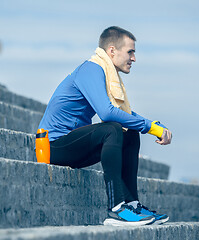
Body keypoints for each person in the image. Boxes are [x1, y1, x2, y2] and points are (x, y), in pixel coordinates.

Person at [37, 26, 172, 226]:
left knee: (130, 131)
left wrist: (151, 124)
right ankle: (116, 209)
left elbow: (123, 114)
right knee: (112, 128)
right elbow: (107, 112)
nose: (134, 58)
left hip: (74, 147)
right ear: (111, 51)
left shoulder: (106, 73)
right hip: (53, 146)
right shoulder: (91, 69)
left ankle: (132, 204)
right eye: (130, 52)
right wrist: (150, 127)